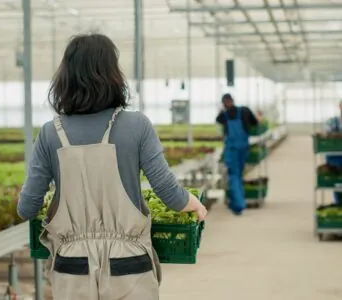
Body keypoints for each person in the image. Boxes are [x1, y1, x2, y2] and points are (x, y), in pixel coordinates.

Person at [17, 34, 207, 300]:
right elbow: (169, 193)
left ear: (65, 77)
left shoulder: (51, 133)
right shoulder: (137, 126)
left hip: (72, 270)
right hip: (129, 269)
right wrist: (195, 205)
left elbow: (26, 209)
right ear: (113, 75)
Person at [216, 93, 258, 215]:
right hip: (243, 148)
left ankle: (238, 204)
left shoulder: (224, 114)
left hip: (232, 150)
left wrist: (223, 110)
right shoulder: (244, 110)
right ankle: (236, 202)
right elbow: (255, 123)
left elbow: (217, 120)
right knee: (238, 175)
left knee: (234, 176)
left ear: (224, 103)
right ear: (233, 100)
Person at [324, 101, 342, 205]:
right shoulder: (332, 121)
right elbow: (327, 132)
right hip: (335, 158)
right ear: (340, 107)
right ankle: (339, 205)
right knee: (337, 183)